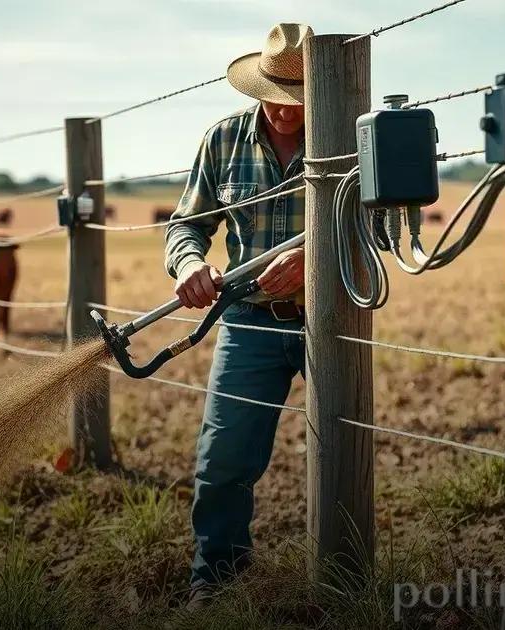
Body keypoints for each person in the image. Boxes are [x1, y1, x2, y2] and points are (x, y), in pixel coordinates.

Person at [163, 22, 311, 603]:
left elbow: (374, 235)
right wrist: (188, 266)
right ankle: (216, 577)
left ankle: (346, 576)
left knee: (343, 451)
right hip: (248, 320)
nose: (282, 113)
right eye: (272, 98)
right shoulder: (222, 140)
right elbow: (187, 224)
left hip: (332, 322)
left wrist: (311, 262)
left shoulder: (351, 142)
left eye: (295, 103)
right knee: (222, 459)